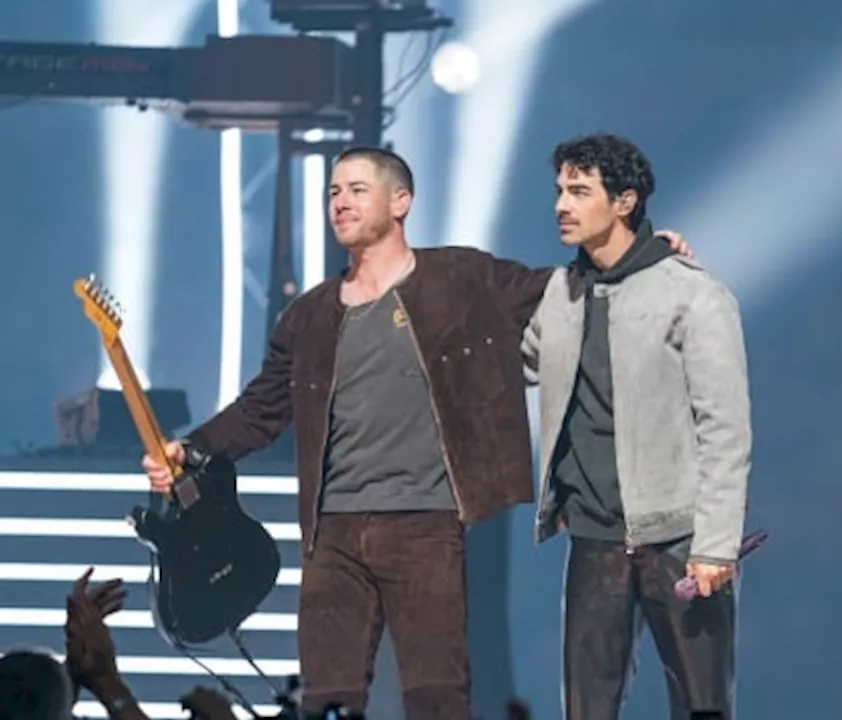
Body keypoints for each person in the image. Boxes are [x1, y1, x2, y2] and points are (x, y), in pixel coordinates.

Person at [141, 146, 690, 720]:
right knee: (328, 696)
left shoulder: (460, 278)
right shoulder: (309, 317)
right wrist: (193, 447)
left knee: (436, 696)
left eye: (357, 189)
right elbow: (261, 408)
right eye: (333, 191)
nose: (341, 202)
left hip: (425, 525)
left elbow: (562, 289)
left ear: (400, 201)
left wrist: (643, 257)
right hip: (332, 534)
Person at [522, 133, 751, 720]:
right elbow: (519, 362)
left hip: (677, 537)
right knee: (586, 709)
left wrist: (716, 545)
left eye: (579, 191)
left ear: (623, 202)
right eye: (558, 191)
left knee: (703, 706)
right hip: (595, 537)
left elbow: (725, 429)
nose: (561, 206)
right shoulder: (559, 292)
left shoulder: (691, 295)